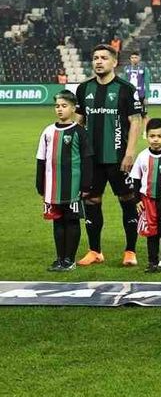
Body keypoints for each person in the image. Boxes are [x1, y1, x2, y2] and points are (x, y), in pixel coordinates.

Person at [74, 44, 143, 267]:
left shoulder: (126, 89)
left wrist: (130, 153)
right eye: (95, 58)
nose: (98, 61)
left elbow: (136, 121)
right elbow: (79, 121)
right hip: (91, 159)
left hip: (119, 158)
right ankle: (95, 251)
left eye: (104, 58)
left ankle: (130, 251)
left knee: (127, 200)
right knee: (91, 200)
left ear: (114, 62)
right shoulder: (84, 89)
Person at [37, 91, 94, 272]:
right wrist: (40, 184)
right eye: (57, 106)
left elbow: (87, 160)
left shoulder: (80, 132)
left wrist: (86, 185)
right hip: (53, 187)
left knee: (72, 221)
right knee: (57, 221)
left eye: (64, 106)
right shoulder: (48, 131)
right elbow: (41, 159)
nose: (60, 109)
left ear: (73, 108)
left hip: (73, 187)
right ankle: (60, 258)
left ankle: (70, 259)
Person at [128, 118, 161, 272]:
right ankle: (152, 262)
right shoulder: (142, 156)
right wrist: (137, 200)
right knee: (151, 232)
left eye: (159, 136)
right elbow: (136, 179)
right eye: (152, 136)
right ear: (147, 136)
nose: (156, 139)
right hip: (148, 200)